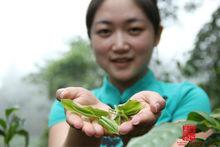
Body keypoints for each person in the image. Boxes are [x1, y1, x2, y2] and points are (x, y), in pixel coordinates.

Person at [48, 0, 211, 146]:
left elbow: (188, 141)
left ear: (157, 35)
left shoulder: (189, 98)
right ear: (90, 38)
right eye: (105, 31)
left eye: (134, 29)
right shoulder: (73, 105)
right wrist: (83, 133)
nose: (119, 46)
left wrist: (138, 138)